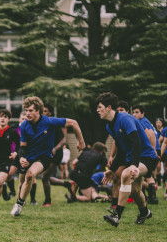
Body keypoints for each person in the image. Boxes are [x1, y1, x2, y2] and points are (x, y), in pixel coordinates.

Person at [11, 96, 86, 217]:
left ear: (38, 110)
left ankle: (19, 205)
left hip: (44, 157)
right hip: (28, 157)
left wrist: (81, 141)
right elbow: (22, 147)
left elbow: (73, 122)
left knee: (30, 175)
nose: (27, 113)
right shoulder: (24, 126)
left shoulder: (49, 121)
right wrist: (21, 158)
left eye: (30, 110)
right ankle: (21, 201)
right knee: (22, 182)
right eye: (26, 110)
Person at [96, 92, 159, 227]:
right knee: (135, 190)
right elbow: (122, 150)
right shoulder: (109, 126)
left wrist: (134, 166)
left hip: (147, 157)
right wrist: (111, 170)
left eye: (100, 107)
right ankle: (145, 212)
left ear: (108, 107)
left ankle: (116, 215)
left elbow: (136, 142)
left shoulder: (125, 118)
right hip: (134, 158)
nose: (97, 110)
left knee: (126, 174)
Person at [132, 104, 159, 204]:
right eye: (133, 112)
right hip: (151, 150)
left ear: (142, 113)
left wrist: (153, 150)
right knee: (147, 174)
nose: (134, 114)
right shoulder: (144, 121)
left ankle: (151, 197)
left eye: (137, 112)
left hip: (150, 151)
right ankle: (149, 196)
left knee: (145, 174)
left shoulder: (142, 121)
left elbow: (150, 134)